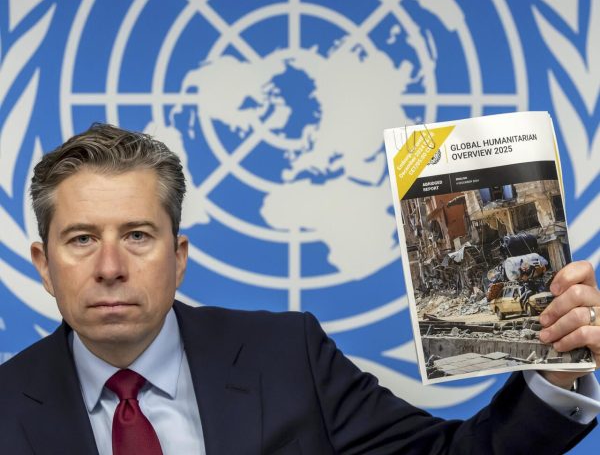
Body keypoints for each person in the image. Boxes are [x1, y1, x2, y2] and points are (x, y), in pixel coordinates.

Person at [1, 124, 599, 455]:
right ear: (44, 266)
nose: (109, 266)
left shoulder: (289, 356)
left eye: (137, 235)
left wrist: (555, 376)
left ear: (178, 259)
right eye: (81, 239)